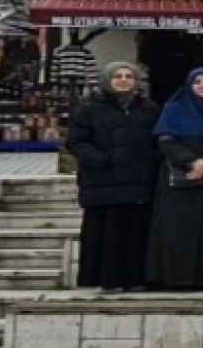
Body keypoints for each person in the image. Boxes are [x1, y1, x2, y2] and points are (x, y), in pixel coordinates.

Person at [67, 61, 161, 292]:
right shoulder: (89, 109)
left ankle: (137, 279)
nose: (123, 80)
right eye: (118, 76)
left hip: (138, 182)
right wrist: (102, 159)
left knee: (136, 232)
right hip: (103, 182)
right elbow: (76, 142)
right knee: (106, 233)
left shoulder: (149, 109)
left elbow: (159, 139)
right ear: (107, 80)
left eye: (129, 76)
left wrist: (149, 160)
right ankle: (106, 280)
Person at [146, 67, 203, 290]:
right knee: (178, 230)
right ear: (189, 85)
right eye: (198, 82)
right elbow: (166, 141)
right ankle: (175, 278)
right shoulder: (174, 109)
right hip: (180, 177)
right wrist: (192, 162)